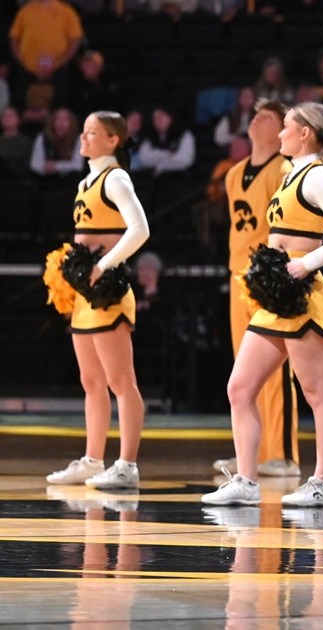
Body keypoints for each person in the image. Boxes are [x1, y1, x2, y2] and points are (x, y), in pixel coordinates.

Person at [201, 102, 323, 508]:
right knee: (240, 388)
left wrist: (305, 264)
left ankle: (321, 483)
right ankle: (245, 480)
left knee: (318, 393)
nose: (279, 136)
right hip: (275, 298)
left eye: (286, 128)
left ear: (305, 133)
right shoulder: (292, 174)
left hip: (303, 296)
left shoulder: (318, 176)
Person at [45, 111, 150, 490]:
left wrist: (103, 265)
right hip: (85, 294)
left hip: (107, 291)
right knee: (91, 381)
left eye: (93, 133)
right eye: (84, 131)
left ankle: (127, 464)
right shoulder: (86, 180)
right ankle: (93, 459)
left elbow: (140, 230)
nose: (83, 137)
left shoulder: (115, 177)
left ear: (113, 141)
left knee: (122, 381)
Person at [210, 99, 302, 479]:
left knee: (276, 369)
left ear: (280, 127)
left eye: (267, 116)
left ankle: (281, 454)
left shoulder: (284, 169)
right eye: (255, 114)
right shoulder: (233, 174)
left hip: (269, 278)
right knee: (244, 371)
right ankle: (251, 453)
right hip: (238, 276)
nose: (256, 118)